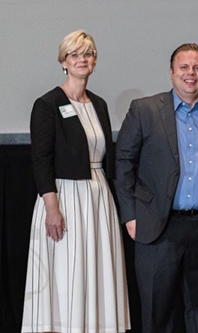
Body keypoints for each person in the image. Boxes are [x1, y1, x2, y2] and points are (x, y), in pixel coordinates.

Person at [115, 43, 198, 333]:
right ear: (171, 73)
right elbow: (123, 163)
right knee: (157, 312)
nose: (190, 74)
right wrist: (130, 216)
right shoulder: (144, 110)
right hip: (157, 225)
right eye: (184, 67)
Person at [22, 30, 130, 333]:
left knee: (95, 271)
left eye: (88, 53)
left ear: (94, 61)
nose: (82, 59)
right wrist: (52, 208)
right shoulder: (47, 104)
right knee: (65, 274)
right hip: (64, 196)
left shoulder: (99, 104)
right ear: (63, 62)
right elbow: (41, 159)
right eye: (75, 54)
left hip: (98, 198)